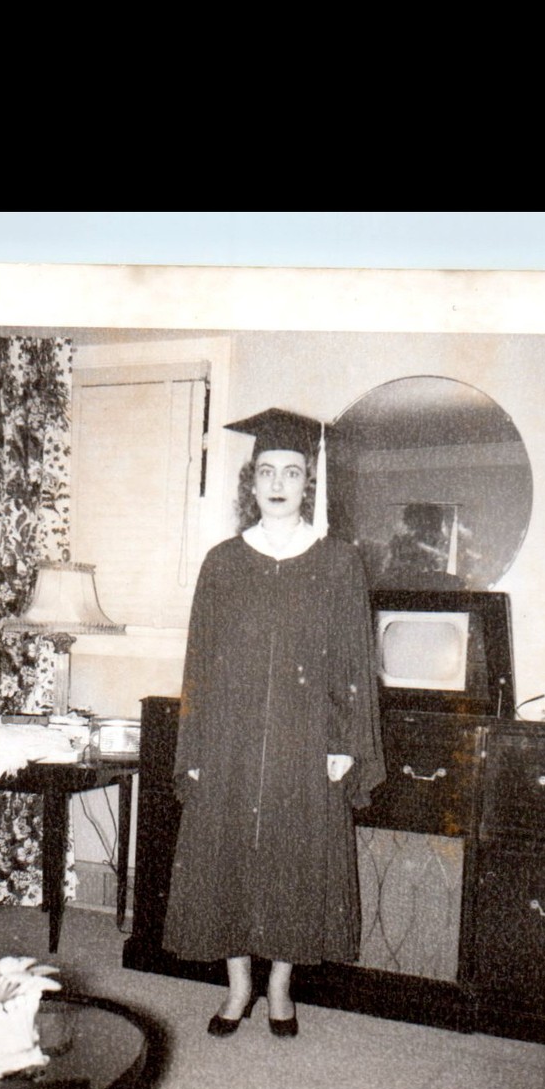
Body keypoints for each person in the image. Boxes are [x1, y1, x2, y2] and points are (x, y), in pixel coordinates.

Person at [162, 408, 385, 1037]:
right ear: (251, 483)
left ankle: (281, 987)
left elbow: (352, 660)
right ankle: (237, 988)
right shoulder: (223, 562)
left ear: (307, 482)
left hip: (304, 736)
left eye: (292, 472)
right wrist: (196, 743)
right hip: (229, 736)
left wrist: (346, 743)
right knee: (229, 855)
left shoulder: (338, 562)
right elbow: (199, 660)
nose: (279, 483)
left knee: (296, 859)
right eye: (267, 471)